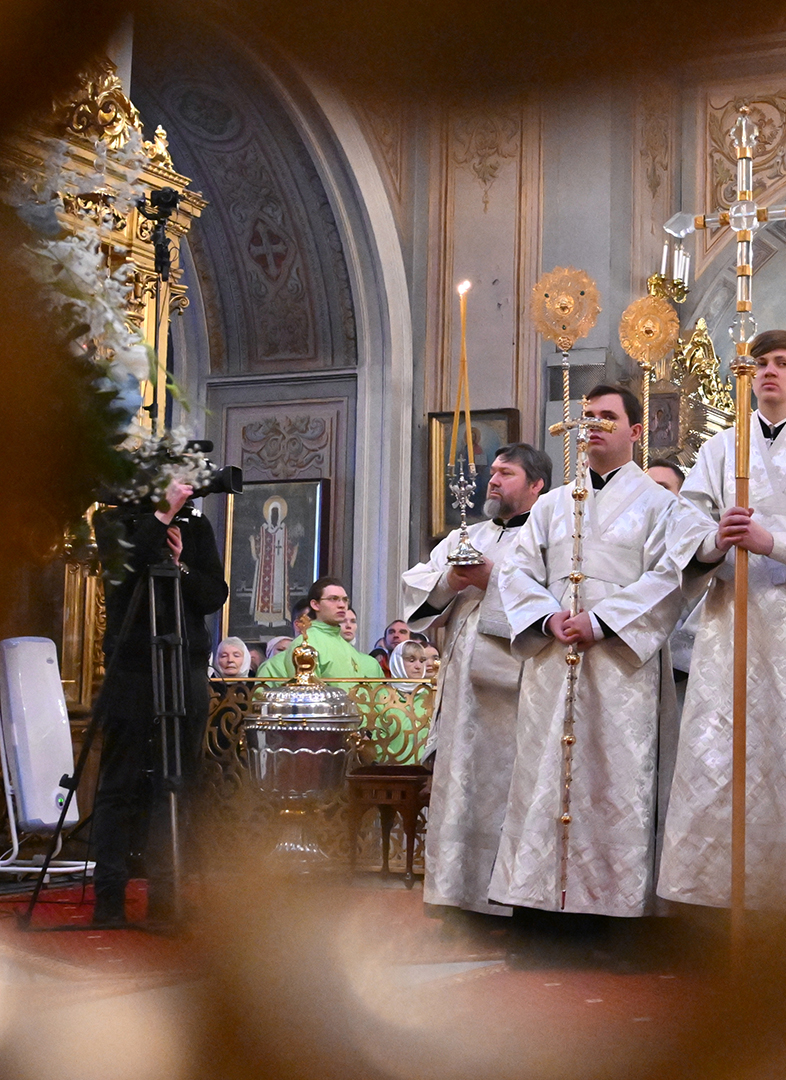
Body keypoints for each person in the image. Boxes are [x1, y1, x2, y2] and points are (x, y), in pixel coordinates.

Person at [491, 385, 712, 965]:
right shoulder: (551, 504)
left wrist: (604, 620)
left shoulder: (662, 506)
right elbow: (515, 570)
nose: (593, 425)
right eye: (587, 415)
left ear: (635, 431)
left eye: (607, 417)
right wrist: (547, 616)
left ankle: (614, 928)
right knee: (545, 781)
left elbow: (671, 577)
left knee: (616, 785)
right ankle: (540, 923)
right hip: (553, 661)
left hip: (620, 667)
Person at [659, 329, 786, 916]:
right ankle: (713, 899)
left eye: (781, 363)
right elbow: (686, 521)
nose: (769, 372)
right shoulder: (721, 449)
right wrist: (714, 540)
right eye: (759, 364)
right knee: (722, 755)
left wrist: (770, 541)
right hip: (731, 623)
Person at [402, 441, 550, 917]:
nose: (493, 480)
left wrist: (493, 580)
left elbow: (553, 600)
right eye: (493, 472)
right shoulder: (468, 534)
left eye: (507, 474)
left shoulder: (549, 536)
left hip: (514, 685)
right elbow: (419, 588)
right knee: (458, 783)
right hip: (460, 684)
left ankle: (505, 901)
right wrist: (452, 582)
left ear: (536, 485)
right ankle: (454, 893)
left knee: (504, 787)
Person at [89, 481, 229, 926]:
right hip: (132, 665)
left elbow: (213, 594)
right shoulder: (112, 521)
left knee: (177, 781)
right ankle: (109, 898)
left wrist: (180, 566)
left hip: (184, 662)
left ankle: (166, 897)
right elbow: (125, 573)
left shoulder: (197, 526)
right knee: (119, 781)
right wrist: (162, 517)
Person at [255, 578, 385, 679]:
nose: (342, 605)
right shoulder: (306, 644)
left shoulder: (345, 645)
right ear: (315, 604)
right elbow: (306, 696)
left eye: (345, 600)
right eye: (333, 599)